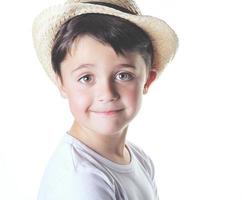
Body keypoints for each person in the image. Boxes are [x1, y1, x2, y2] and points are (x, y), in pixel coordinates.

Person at [32, 0, 178, 199]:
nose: (107, 93)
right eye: (86, 78)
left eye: (123, 75)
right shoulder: (81, 180)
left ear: (148, 80)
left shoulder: (139, 159)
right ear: (61, 83)